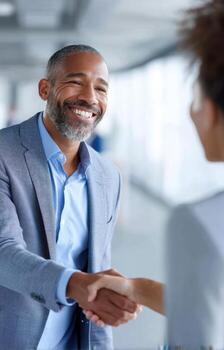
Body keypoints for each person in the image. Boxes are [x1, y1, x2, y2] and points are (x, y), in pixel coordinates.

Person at [84, 0, 224, 348]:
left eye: (195, 97)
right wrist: (137, 289)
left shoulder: (204, 223)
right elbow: (215, 303)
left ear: (210, 112)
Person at [0, 45, 140, 350]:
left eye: (101, 88)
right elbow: (3, 251)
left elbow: (97, 270)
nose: (90, 97)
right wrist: (76, 285)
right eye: (76, 81)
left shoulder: (107, 177)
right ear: (44, 88)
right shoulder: (3, 154)